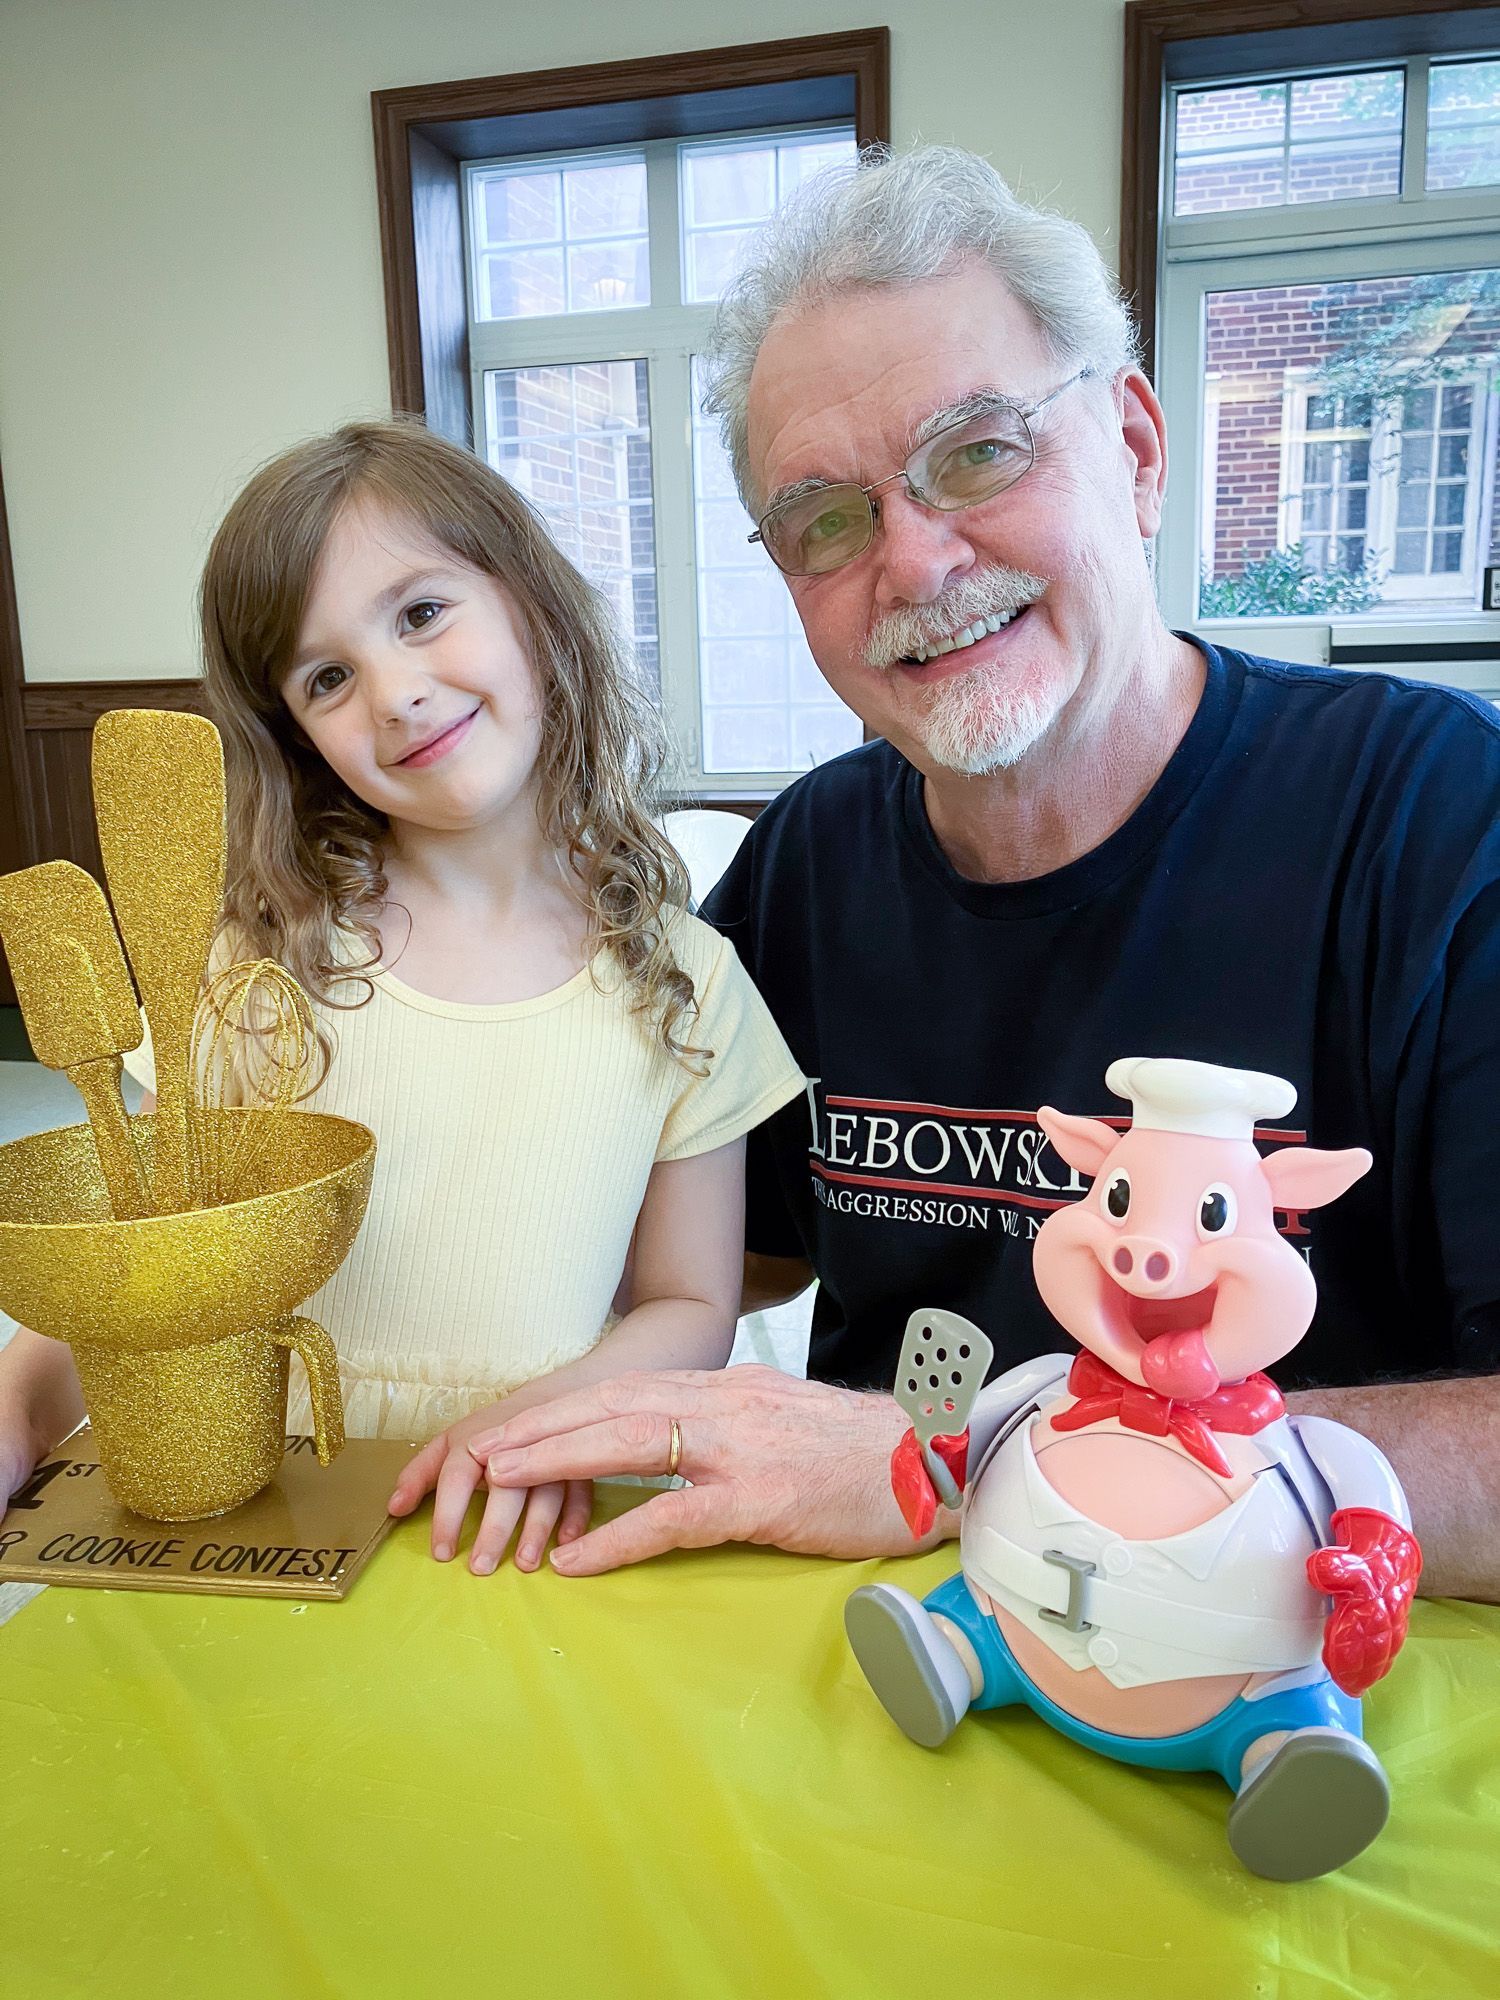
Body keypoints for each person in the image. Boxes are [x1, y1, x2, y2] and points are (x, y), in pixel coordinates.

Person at [463, 146, 1500, 1602]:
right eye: (824, 517)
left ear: (1137, 451)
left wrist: (959, 1468)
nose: (916, 559)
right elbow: (685, 1266)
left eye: (979, 452)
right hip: (864, 1651)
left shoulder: (1443, 820)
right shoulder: (808, 864)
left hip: (1277, 1691)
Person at [0, 421, 803, 1575]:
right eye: (329, 676)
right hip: (260, 1536)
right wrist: (17, 1411)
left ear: (530, 600)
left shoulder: (685, 979)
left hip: (527, 1530)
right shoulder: (249, 974)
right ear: (300, 736)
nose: (397, 693)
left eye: (422, 613)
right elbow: (143, 1282)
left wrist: (536, 1427)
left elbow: (688, 1302)